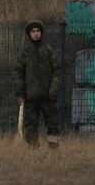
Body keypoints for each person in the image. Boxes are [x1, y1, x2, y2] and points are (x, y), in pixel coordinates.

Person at [11, 20, 61, 149]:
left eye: (37, 31)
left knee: (52, 123)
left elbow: (57, 71)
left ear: (41, 33)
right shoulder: (25, 52)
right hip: (30, 97)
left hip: (48, 96)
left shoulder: (48, 50)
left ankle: (53, 148)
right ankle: (33, 148)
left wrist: (53, 90)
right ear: (29, 34)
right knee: (30, 124)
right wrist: (20, 93)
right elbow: (17, 73)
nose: (35, 34)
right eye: (33, 31)